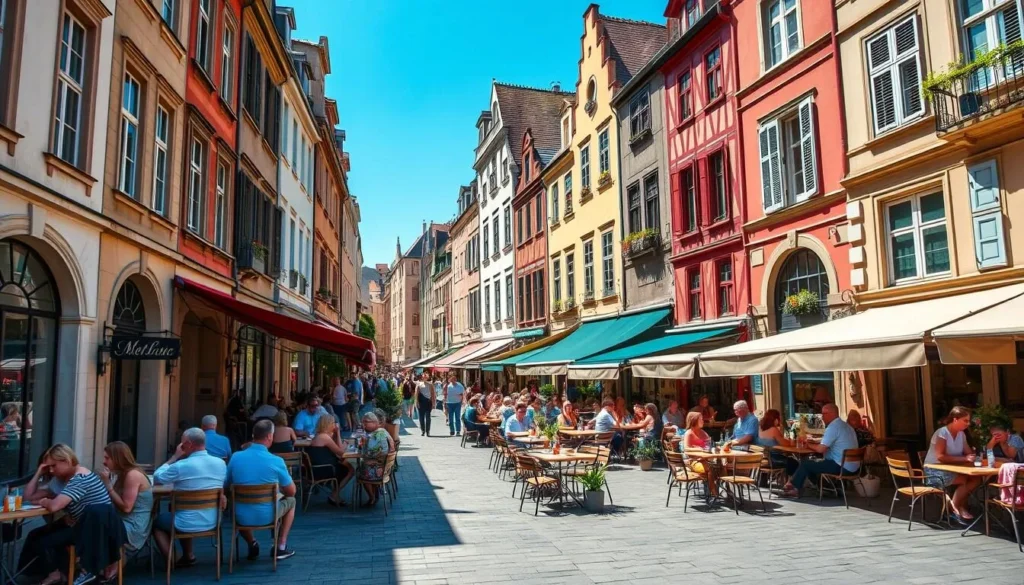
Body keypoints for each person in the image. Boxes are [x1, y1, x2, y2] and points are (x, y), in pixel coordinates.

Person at [18, 444, 115, 585]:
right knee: (35, 535)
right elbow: (28, 498)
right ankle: (43, 574)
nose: (50, 470)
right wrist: (39, 472)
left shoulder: (80, 478)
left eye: (53, 466)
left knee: (45, 541)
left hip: (93, 530)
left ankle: (56, 574)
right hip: (80, 524)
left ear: (66, 461)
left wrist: (45, 501)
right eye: (48, 467)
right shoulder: (61, 479)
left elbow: (54, 506)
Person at [152, 427, 228, 566]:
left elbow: (157, 477)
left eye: (181, 444)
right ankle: (188, 555)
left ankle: (173, 560)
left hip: (183, 522)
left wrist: (174, 457)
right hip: (213, 520)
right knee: (181, 512)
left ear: (188, 444)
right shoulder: (221, 464)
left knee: (157, 523)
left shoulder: (181, 465)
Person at [225, 420, 297, 560]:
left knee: (238, 506)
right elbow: (291, 491)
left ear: (253, 435)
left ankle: (252, 543)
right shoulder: (276, 461)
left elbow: (227, 484)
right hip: (268, 514)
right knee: (291, 501)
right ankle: (280, 546)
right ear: (270, 436)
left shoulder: (236, 457)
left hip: (240, 516)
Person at [781, 404, 860, 500]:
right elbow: (833, 441)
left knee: (806, 464)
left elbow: (820, 449)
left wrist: (808, 445)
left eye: (824, 414)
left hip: (840, 466)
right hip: (855, 467)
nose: (822, 417)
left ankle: (794, 488)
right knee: (812, 462)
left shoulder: (833, 428)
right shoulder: (846, 426)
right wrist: (817, 441)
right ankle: (821, 486)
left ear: (831, 414)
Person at [921, 406, 981, 523]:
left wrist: (973, 454)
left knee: (976, 479)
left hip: (951, 469)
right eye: (965, 421)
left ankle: (952, 507)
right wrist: (965, 458)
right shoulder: (942, 433)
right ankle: (956, 509)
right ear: (955, 420)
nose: (968, 424)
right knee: (965, 480)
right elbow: (940, 457)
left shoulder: (961, 434)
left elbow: (968, 452)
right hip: (933, 471)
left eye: (969, 421)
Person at [98, 441, 153, 558]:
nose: (104, 462)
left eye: (107, 458)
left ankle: (94, 565)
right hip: (122, 520)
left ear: (117, 459)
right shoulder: (120, 474)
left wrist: (108, 486)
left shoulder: (132, 475)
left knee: (96, 528)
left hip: (133, 525)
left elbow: (127, 508)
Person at [357, 413, 395, 507]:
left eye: (366, 422)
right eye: (363, 422)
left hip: (379, 469)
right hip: (384, 468)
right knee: (364, 465)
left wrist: (363, 450)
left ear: (374, 422)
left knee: (360, 473)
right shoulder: (381, 431)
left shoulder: (377, 435)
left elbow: (374, 452)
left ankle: (372, 497)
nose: (363, 424)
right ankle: (375, 494)